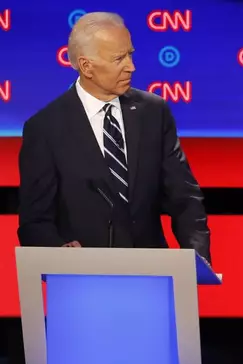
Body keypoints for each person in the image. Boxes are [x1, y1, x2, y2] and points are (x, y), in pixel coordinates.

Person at [18, 11, 211, 259]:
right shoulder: (45, 128)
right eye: (119, 58)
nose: (131, 66)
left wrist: (197, 261)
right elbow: (34, 222)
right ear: (87, 66)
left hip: (151, 274)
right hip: (82, 281)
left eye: (130, 54)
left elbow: (184, 198)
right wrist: (59, 253)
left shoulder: (154, 113)